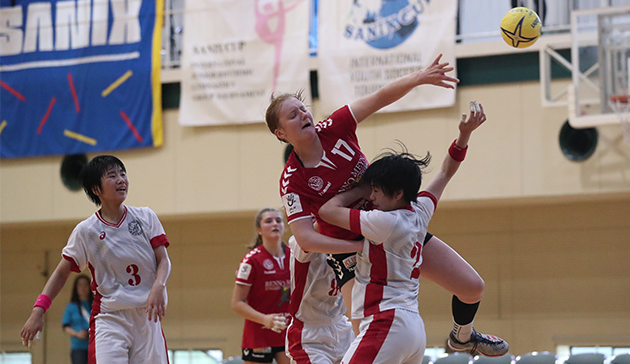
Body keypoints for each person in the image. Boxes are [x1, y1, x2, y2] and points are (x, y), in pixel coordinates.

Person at [265, 54, 508, 356]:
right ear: (280, 133)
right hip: (351, 250)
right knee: (365, 337)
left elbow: (379, 97)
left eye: (303, 109)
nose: (303, 115)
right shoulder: (293, 179)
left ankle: (462, 336)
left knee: (472, 287)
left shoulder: (336, 126)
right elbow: (304, 238)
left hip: (392, 227)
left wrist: (420, 77)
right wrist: (355, 249)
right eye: (293, 115)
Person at [318, 103, 489, 363]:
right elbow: (445, 171)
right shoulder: (420, 209)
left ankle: (465, 335)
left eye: (376, 190)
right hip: (412, 327)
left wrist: (359, 189)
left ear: (397, 193)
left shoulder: (381, 222)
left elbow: (328, 211)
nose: (371, 196)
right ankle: (464, 333)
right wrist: (464, 136)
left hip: (386, 322)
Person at [20, 155, 172, 364]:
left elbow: (164, 260)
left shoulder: (146, 217)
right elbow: (61, 273)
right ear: (96, 189)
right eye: (112, 176)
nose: (121, 179)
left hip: (147, 316)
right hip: (110, 319)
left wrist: (158, 285)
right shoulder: (86, 231)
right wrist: (38, 311)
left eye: (123, 173)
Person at [285, 217, 354, 364]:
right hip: (309, 336)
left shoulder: (347, 240)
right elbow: (328, 219)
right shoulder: (299, 242)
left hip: (341, 326)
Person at [231, 207, 291, 364]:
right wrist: (265, 320)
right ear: (259, 229)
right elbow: (237, 303)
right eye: (268, 221)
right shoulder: (251, 261)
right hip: (259, 334)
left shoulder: (294, 257)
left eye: (278, 220)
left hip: (288, 331)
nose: (275, 224)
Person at [62, 274, 93, 364]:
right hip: (78, 347)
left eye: (85, 284)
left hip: (95, 346)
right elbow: (65, 326)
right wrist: (77, 334)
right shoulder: (71, 307)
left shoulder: (96, 305)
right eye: (80, 285)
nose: (83, 288)